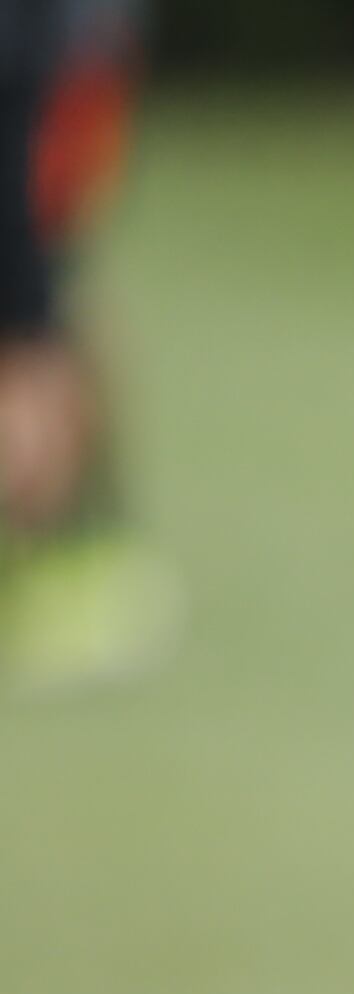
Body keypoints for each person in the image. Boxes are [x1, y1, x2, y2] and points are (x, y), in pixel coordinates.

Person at [0, 0, 167, 690]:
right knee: (50, 317)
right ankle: (82, 544)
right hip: (60, 59)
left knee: (33, 335)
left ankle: (74, 553)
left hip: (50, 68)